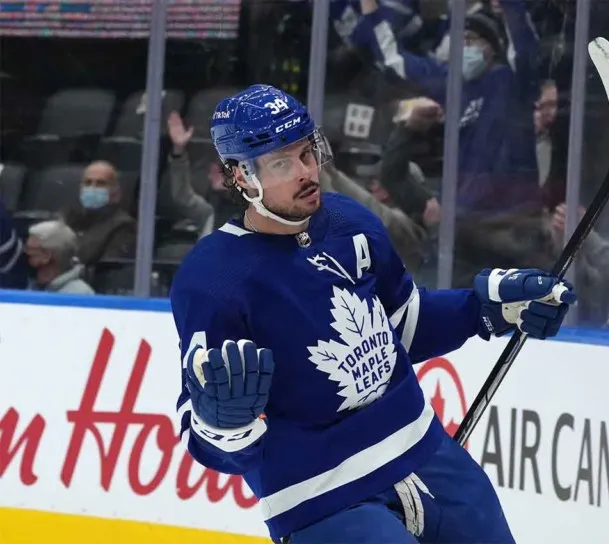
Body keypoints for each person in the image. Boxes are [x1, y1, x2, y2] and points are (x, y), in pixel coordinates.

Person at [169, 85, 576, 544]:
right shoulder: (212, 279)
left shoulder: (348, 221)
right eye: (282, 164)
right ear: (242, 176)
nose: (306, 172)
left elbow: (405, 324)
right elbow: (202, 430)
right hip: (320, 496)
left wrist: (486, 309)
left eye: (307, 153)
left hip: (425, 451)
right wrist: (223, 423)